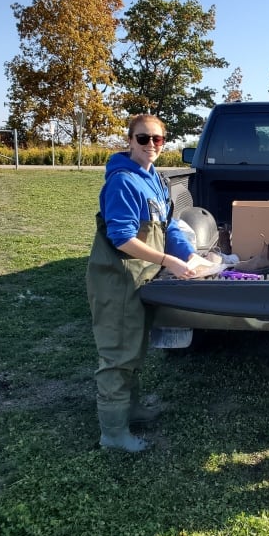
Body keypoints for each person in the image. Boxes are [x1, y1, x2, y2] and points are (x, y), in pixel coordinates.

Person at [86, 114, 198, 452]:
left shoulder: (157, 180)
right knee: (118, 355)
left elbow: (168, 224)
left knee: (133, 348)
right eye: (143, 139)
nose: (151, 145)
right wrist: (168, 261)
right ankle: (113, 434)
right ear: (129, 141)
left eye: (158, 139)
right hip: (118, 281)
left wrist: (191, 256)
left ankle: (131, 409)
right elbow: (121, 238)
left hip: (142, 277)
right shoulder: (122, 182)